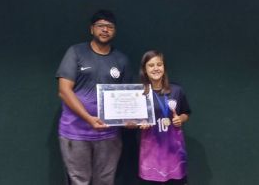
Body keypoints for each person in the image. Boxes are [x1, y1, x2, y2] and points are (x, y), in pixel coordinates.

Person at [56, 10, 133, 185]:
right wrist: (89, 118)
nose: (105, 30)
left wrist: (131, 118)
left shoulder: (122, 60)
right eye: (100, 26)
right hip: (75, 133)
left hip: (109, 134)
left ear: (115, 31)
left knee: (105, 181)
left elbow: (127, 96)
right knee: (79, 182)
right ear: (92, 29)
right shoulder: (75, 52)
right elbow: (64, 91)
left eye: (110, 27)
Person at [138, 50, 191, 185]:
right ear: (145, 70)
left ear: (164, 67)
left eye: (159, 64)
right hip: (151, 150)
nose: (156, 68)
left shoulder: (176, 90)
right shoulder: (139, 93)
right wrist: (140, 122)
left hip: (174, 149)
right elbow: (131, 121)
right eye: (151, 65)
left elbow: (186, 113)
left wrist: (181, 119)